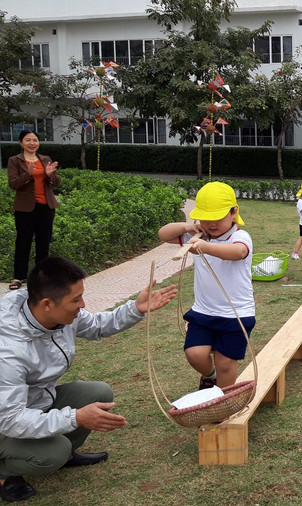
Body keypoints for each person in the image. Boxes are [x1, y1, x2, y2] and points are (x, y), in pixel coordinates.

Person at [0, 257, 177, 502]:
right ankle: (6, 472)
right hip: (5, 420)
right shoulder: (8, 350)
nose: (82, 305)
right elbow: (9, 419)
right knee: (54, 451)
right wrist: (75, 417)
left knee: (98, 393)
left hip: (35, 402)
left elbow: (95, 325)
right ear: (47, 304)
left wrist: (135, 309)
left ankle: (64, 455)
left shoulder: (53, 316)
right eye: (76, 300)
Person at [158, 182, 256, 389]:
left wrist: (205, 247)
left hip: (236, 313)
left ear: (233, 213)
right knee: (194, 353)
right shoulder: (197, 235)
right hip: (203, 311)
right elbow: (163, 234)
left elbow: (238, 252)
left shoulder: (239, 236)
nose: (211, 224)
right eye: (205, 218)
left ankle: (223, 401)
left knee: (225, 362)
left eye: (217, 218)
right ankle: (209, 376)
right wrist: (187, 227)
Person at [7, 130, 61, 291]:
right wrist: (28, 174)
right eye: (28, 140)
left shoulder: (45, 159)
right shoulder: (14, 160)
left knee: (43, 242)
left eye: (35, 140)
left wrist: (50, 175)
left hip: (46, 206)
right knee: (23, 242)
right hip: (25, 208)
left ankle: (41, 277)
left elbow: (57, 182)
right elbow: (13, 184)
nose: (32, 143)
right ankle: (18, 277)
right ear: (21, 143)